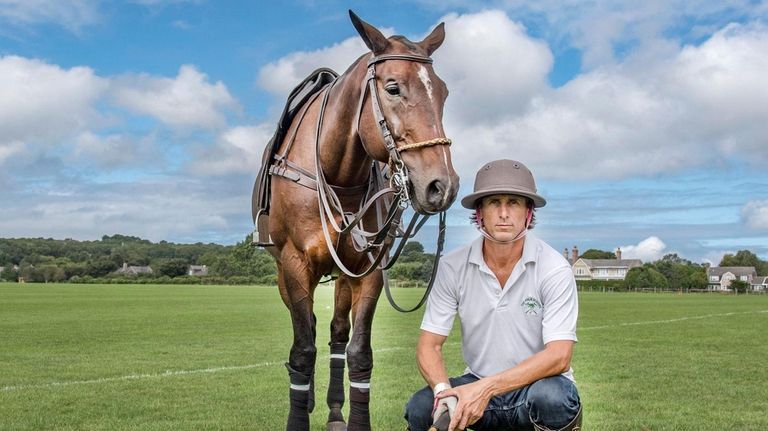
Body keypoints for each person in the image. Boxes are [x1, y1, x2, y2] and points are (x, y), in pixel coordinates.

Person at [404, 159, 582, 431]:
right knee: (421, 406)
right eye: (493, 202)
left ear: (528, 213)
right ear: (479, 213)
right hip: (478, 383)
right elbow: (430, 345)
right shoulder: (452, 266)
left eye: (513, 202)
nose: (503, 213)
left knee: (552, 399)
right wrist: (444, 394)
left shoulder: (554, 267)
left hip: (533, 389)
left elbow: (559, 355)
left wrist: (485, 389)